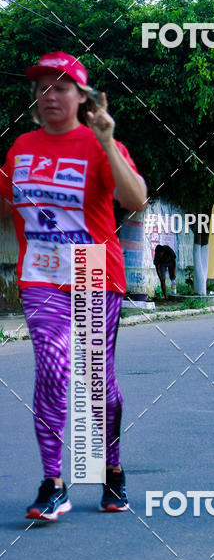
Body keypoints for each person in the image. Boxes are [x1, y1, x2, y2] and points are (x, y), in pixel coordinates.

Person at [0, 51, 147, 520]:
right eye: (41, 87)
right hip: (40, 274)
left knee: (96, 383)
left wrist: (108, 142)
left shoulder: (97, 144)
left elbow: (135, 200)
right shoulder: (21, 147)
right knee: (51, 361)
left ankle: (113, 470)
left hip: (93, 270)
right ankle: (54, 482)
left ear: (82, 97)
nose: (49, 96)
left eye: (60, 87)